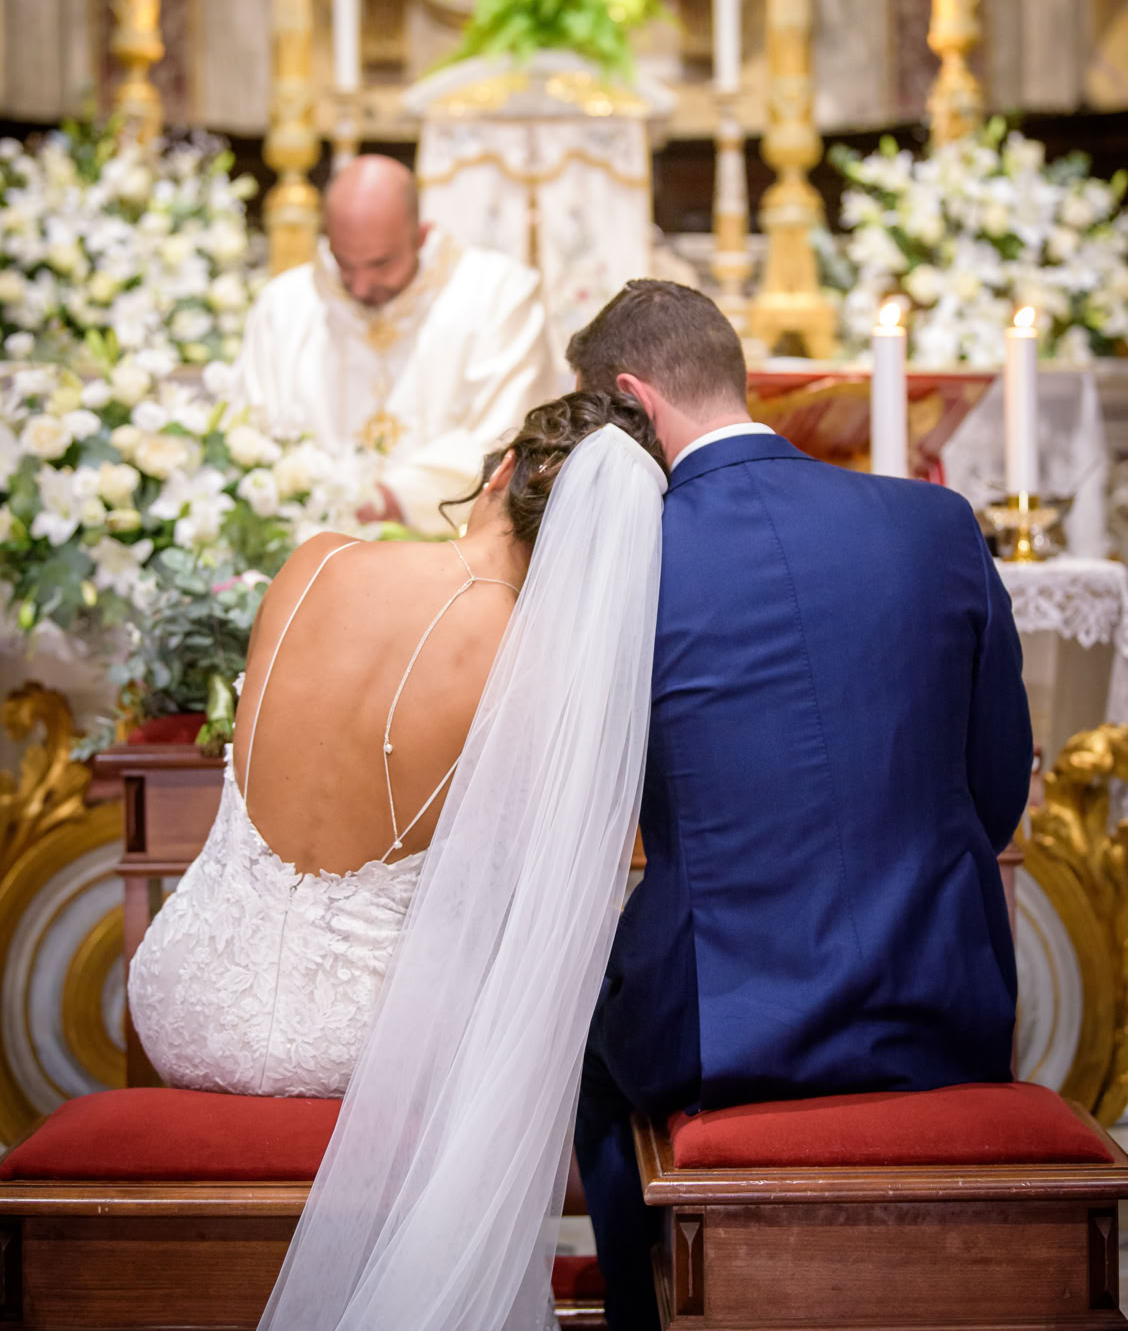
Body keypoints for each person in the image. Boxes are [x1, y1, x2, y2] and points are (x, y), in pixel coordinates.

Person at [127, 386, 668, 1331]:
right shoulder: (529, 664)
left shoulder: (317, 563)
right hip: (364, 1046)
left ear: (503, 471)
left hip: (181, 1004)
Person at [565, 279, 1034, 1331]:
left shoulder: (632, 564)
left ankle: (652, 1312)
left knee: (584, 1054)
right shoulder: (937, 522)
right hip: (945, 1002)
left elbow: (599, 818)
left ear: (633, 403)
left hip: (723, 1032)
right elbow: (997, 784)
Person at [230, 154, 557, 533]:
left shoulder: (499, 295)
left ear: (420, 235)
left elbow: (512, 434)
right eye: (344, 263)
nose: (360, 286)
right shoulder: (283, 307)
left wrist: (393, 499)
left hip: (450, 551)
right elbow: (251, 435)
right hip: (308, 544)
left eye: (381, 264)